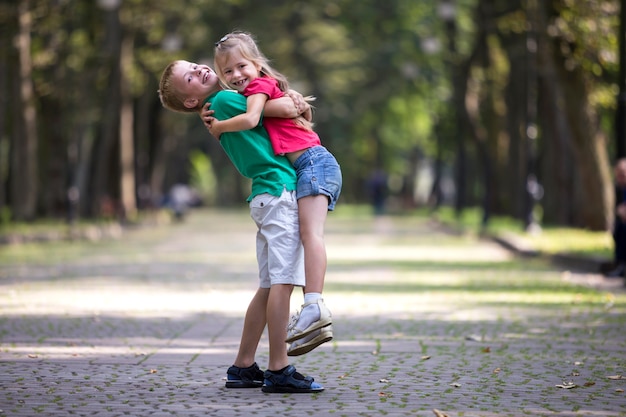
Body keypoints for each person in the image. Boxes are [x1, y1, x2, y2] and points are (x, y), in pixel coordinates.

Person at [158, 59, 324, 393]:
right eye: (189, 76)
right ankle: (279, 368)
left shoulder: (222, 105)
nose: (200, 70)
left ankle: (243, 365)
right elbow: (285, 109)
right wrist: (294, 99)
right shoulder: (224, 102)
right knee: (283, 282)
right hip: (279, 190)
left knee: (268, 286)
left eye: (194, 64)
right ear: (191, 102)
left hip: (265, 194)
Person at [203, 31, 342, 356]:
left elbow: (255, 117)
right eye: (228, 72)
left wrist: (219, 126)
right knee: (305, 243)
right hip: (307, 164)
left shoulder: (258, 89)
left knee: (311, 236)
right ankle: (310, 308)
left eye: (241, 66)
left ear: (256, 63)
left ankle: (313, 305)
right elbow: (301, 113)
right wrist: (293, 104)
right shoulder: (258, 90)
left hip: (312, 163)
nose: (235, 75)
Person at [608, 158, 626, 278]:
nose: (618, 180)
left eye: (621, 176)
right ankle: (621, 264)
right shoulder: (622, 189)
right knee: (618, 228)